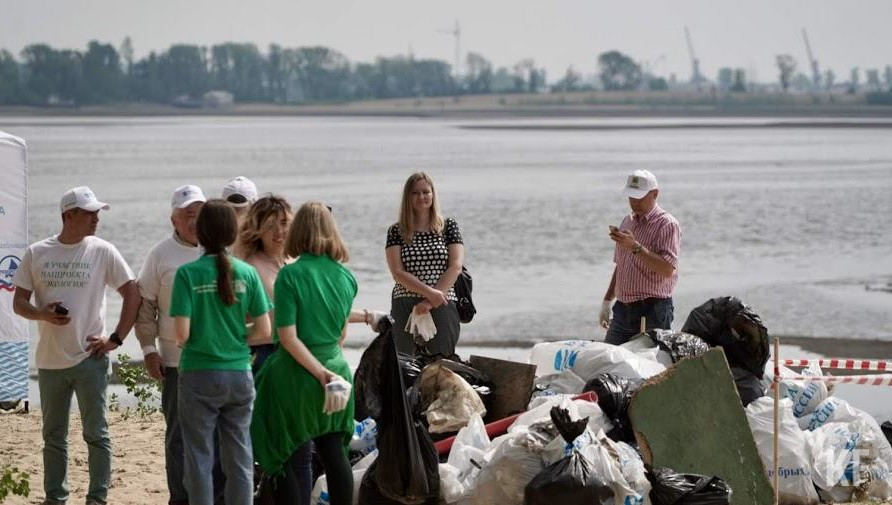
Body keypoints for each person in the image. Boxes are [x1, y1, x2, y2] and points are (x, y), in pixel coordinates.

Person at [12, 185, 140, 505]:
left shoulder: (102, 250)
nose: (96, 219)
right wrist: (41, 313)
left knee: (96, 434)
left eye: (98, 213)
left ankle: (96, 499)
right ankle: (56, 499)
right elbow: (19, 304)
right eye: (89, 213)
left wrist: (116, 339)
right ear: (68, 216)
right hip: (50, 360)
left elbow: (133, 293)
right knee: (53, 437)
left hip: (91, 358)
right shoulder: (37, 252)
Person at [251, 202, 357, 505]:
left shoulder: (290, 276)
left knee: (285, 458)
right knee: (335, 455)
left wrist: (319, 374)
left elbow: (287, 337)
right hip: (338, 371)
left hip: (296, 376)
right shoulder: (346, 277)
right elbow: (340, 335)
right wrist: (328, 371)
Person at [169, 199, 272, 505]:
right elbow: (265, 330)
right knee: (240, 455)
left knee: (199, 456)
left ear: (201, 232)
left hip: (199, 374)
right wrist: (235, 336)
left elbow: (181, 334)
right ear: (233, 232)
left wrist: (203, 339)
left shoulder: (188, 274)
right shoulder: (248, 273)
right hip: (239, 372)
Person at [134, 184, 205, 505]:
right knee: (178, 436)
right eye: (188, 215)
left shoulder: (219, 250)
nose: (195, 221)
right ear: (174, 220)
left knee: (214, 435)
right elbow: (145, 305)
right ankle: (179, 498)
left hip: (215, 362)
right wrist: (148, 350)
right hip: (175, 363)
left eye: (200, 214)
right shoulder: (160, 254)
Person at [385, 172, 464, 356]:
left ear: (433, 194)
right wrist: (429, 293)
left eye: (426, 192)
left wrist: (431, 300)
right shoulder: (396, 231)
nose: (422, 197)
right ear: (408, 197)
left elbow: (456, 266)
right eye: (415, 193)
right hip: (405, 300)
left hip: (442, 301)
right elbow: (397, 272)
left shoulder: (448, 226)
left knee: (442, 363)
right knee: (404, 363)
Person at [600, 169, 681, 345]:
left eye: (639, 197)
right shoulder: (627, 221)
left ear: (655, 194)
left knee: (649, 366)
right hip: (623, 309)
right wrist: (607, 300)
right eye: (631, 197)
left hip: (652, 309)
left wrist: (635, 247)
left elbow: (667, 269)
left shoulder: (667, 224)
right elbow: (621, 265)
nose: (634, 202)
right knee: (608, 362)